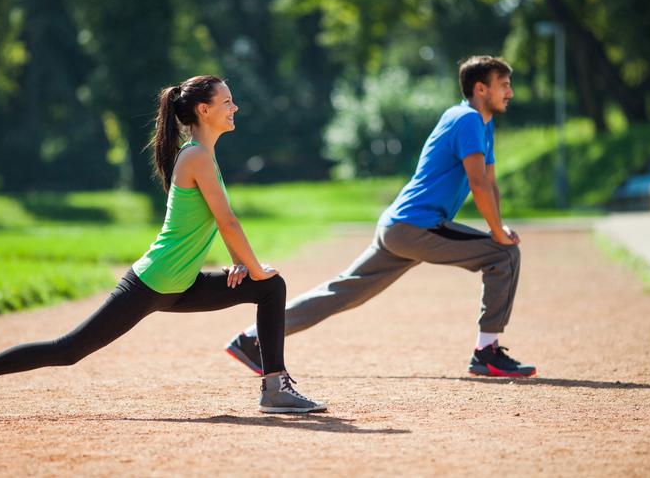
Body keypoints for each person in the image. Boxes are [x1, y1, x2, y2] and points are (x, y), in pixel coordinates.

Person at [0, 75, 326, 421]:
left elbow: (211, 225)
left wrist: (245, 266)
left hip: (180, 284)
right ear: (204, 110)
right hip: (153, 282)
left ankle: (274, 387)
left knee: (270, 288)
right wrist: (252, 265)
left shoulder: (204, 156)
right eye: (227, 102)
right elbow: (228, 223)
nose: (234, 107)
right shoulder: (196, 157)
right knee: (69, 350)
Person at [225, 56, 536, 378]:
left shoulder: (480, 124)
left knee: (343, 292)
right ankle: (486, 352)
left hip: (400, 226)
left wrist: (496, 226)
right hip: (418, 226)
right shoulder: (467, 119)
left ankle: (251, 339)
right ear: (481, 88)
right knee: (504, 254)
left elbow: (490, 182)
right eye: (504, 85)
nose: (510, 92)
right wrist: (498, 234)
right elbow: (478, 184)